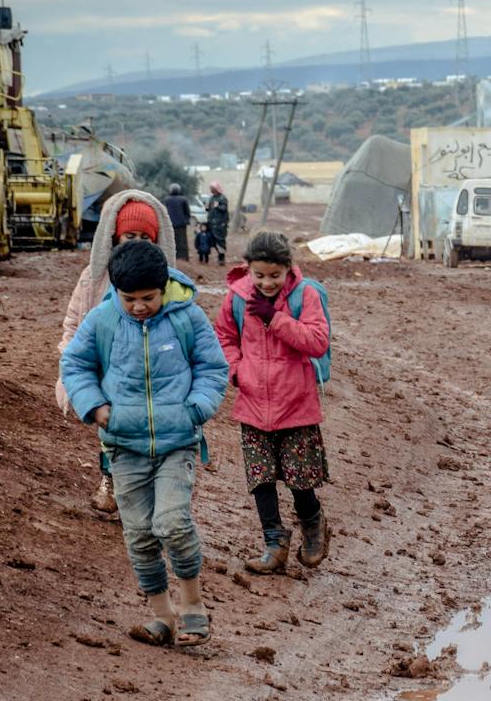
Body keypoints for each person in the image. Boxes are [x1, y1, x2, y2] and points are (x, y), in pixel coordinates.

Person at [60, 240, 229, 646]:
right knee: (138, 534)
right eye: (129, 298)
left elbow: (213, 367)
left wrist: (196, 408)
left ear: (164, 287)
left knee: (171, 522)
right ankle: (162, 617)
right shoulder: (102, 320)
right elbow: (75, 364)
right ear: (116, 291)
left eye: (148, 298)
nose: (138, 306)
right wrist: (96, 407)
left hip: (177, 442)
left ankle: (193, 607)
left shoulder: (187, 316)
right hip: (123, 446)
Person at [54, 189, 178, 516]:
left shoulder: (167, 282)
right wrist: (70, 368)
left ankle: (140, 495)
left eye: (144, 237)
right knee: (110, 432)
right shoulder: (94, 279)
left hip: (151, 370)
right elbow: (75, 322)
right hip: (108, 370)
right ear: (114, 235)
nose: (136, 242)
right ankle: (110, 482)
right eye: (129, 235)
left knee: (145, 435)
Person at [215, 231, 333, 573]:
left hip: (296, 403)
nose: (267, 283)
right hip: (253, 402)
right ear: (248, 269)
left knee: (299, 478)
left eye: (275, 276)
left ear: (288, 269)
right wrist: (237, 371)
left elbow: (317, 341)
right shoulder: (236, 297)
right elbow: (224, 336)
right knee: (261, 478)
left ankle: (313, 524)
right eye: (260, 275)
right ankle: (274, 544)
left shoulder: (305, 295)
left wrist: (274, 318)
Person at [163, 182, 193, 261]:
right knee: (182, 240)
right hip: (181, 224)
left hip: (171, 223)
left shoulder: (167, 199)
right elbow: (187, 212)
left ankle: (173, 256)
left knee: (172, 240)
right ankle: (184, 257)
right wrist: (186, 220)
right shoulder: (183, 199)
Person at [205, 183, 230, 263]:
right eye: (211, 188)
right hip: (212, 223)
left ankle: (221, 258)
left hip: (220, 224)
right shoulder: (212, 198)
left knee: (220, 240)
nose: (211, 190)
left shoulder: (222, 198)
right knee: (211, 240)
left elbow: (224, 208)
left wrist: (218, 206)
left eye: (212, 188)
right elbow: (210, 209)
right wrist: (207, 207)